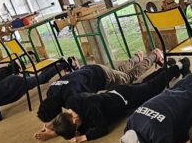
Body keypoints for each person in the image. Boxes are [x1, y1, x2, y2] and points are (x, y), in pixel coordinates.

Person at [48, 62, 183, 143]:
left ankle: (179, 65)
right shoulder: (71, 102)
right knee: (144, 84)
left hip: (126, 98)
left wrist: (84, 137)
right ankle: (166, 67)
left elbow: (102, 128)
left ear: (75, 120)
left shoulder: (90, 108)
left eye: (76, 128)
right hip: (115, 92)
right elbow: (85, 123)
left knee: (152, 88)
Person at [35, 51, 175, 126]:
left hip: (101, 76)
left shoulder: (71, 98)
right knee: (119, 73)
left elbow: (84, 113)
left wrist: (57, 129)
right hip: (89, 70)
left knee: (128, 78)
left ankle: (154, 55)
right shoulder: (51, 91)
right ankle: (136, 59)